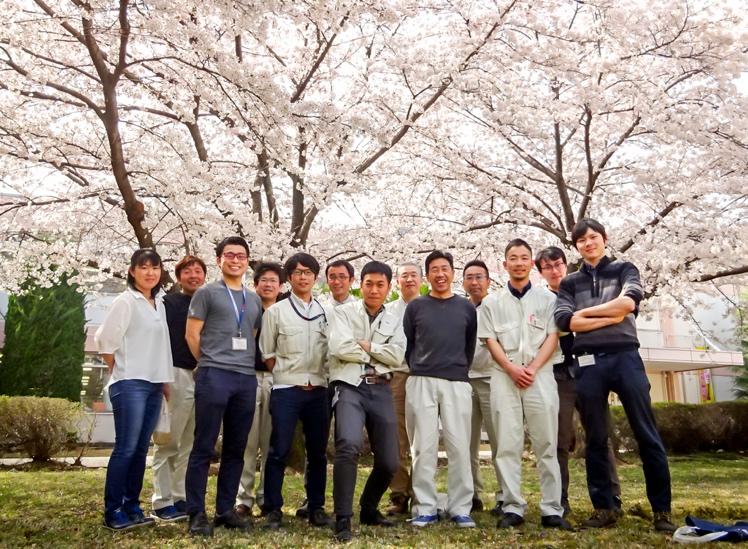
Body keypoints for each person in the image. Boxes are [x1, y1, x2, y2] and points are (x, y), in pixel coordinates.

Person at [554, 219, 676, 532]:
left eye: (593, 237)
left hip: (625, 357)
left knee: (646, 433)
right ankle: (604, 507)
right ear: (576, 246)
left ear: (604, 239)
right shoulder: (569, 283)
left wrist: (587, 315)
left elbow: (628, 302)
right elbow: (566, 322)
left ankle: (661, 510)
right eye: (581, 240)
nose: (587, 243)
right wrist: (609, 315)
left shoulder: (625, 269)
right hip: (588, 361)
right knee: (595, 438)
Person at [478, 239, 571, 530]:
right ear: (504, 265)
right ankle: (512, 506)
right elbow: (489, 339)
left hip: (540, 375)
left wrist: (530, 368)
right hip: (503, 376)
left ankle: (552, 509)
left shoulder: (548, 300)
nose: (518, 263)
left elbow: (553, 337)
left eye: (524, 258)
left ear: (532, 264)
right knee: (507, 442)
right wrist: (510, 368)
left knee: (546, 442)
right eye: (512, 258)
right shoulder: (491, 302)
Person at [184, 237, 263, 537]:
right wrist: (208, 362)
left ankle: (225, 510)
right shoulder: (206, 293)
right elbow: (192, 335)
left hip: (245, 378)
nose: (235, 260)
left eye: (241, 255)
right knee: (204, 445)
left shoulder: (253, 299)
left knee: (236, 447)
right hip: (214, 374)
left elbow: (251, 333)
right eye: (229, 255)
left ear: (247, 261)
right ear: (219, 260)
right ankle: (196, 513)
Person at [535, 246, 622, 518]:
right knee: (558, 439)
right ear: (540, 272)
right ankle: (560, 500)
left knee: (599, 436)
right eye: (547, 267)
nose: (554, 270)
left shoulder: (580, 291)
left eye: (558, 264)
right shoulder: (540, 300)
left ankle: (611, 498)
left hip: (590, 369)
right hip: (557, 375)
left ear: (566, 265)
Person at [95, 249, 174, 531]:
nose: (150, 272)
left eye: (155, 267)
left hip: (154, 384)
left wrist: (163, 382)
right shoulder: (126, 300)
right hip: (130, 383)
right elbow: (104, 339)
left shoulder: (159, 303)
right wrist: (122, 369)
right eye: (143, 267)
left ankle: (132, 505)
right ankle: (113, 509)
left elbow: (161, 346)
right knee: (126, 448)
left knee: (141, 449)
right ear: (132, 271)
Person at [328, 261, 406, 542]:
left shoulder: (396, 318)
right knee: (347, 445)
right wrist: (377, 356)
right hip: (350, 386)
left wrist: (368, 346)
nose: (374, 290)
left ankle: (369, 508)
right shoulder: (344, 312)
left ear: (388, 287)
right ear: (361, 285)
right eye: (369, 283)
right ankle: (343, 518)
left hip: (382, 388)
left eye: (380, 284)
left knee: (389, 461)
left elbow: (398, 357)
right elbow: (339, 346)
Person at [404, 250, 477, 528]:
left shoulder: (466, 308)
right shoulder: (416, 307)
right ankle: (425, 506)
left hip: (457, 381)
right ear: (427, 275)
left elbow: (468, 346)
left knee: (459, 446)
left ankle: (460, 507)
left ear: (452, 272)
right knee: (423, 446)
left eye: (444, 268)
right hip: (421, 379)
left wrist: (456, 369)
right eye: (434, 269)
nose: (440, 274)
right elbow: (410, 344)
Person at [260, 252, 333, 530]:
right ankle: (273, 508)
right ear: (289, 278)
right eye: (297, 272)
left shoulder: (325, 311)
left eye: (308, 272)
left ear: (315, 277)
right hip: (286, 389)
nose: (303, 277)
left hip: (318, 390)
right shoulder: (275, 312)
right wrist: (285, 375)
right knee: (278, 449)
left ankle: (315, 507)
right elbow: (267, 351)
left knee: (317, 452)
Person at [295, 258, 357, 519]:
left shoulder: (359, 310)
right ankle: (314, 499)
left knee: (345, 443)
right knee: (316, 443)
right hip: (320, 382)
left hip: (348, 382)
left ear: (351, 281)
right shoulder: (318, 307)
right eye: (332, 276)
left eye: (342, 277)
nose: (337, 281)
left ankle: (344, 503)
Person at [151, 255, 207, 522]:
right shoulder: (167, 303)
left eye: (198, 271)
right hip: (175, 373)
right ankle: (162, 501)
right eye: (188, 271)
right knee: (168, 440)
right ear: (178, 277)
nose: (194, 275)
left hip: (204, 378)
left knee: (190, 443)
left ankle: (180, 495)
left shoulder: (209, 302)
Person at [235, 262, 285, 519]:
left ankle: (268, 496)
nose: (268, 284)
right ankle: (244, 498)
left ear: (281, 286)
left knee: (271, 442)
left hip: (277, 380)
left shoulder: (286, 312)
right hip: (248, 378)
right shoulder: (245, 308)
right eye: (263, 280)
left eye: (273, 281)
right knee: (247, 441)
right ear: (255, 285)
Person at [462, 259, 503, 515]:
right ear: (464, 282)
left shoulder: (498, 306)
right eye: (469, 277)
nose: (474, 282)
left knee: (500, 441)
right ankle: (473, 494)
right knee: (467, 443)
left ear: (488, 281)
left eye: (479, 277)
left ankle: (504, 496)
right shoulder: (460, 309)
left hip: (492, 379)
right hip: (465, 381)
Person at [385, 262, 422, 516]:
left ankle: (421, 493)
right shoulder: (387, 311)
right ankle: (398, 493)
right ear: (397, 281)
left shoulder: (431, 306)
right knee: (396, 438)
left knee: (423, 437)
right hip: (397, 376)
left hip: (425, 376)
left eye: (413, 275)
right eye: (404, 275)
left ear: (422, 279)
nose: (408, 279)